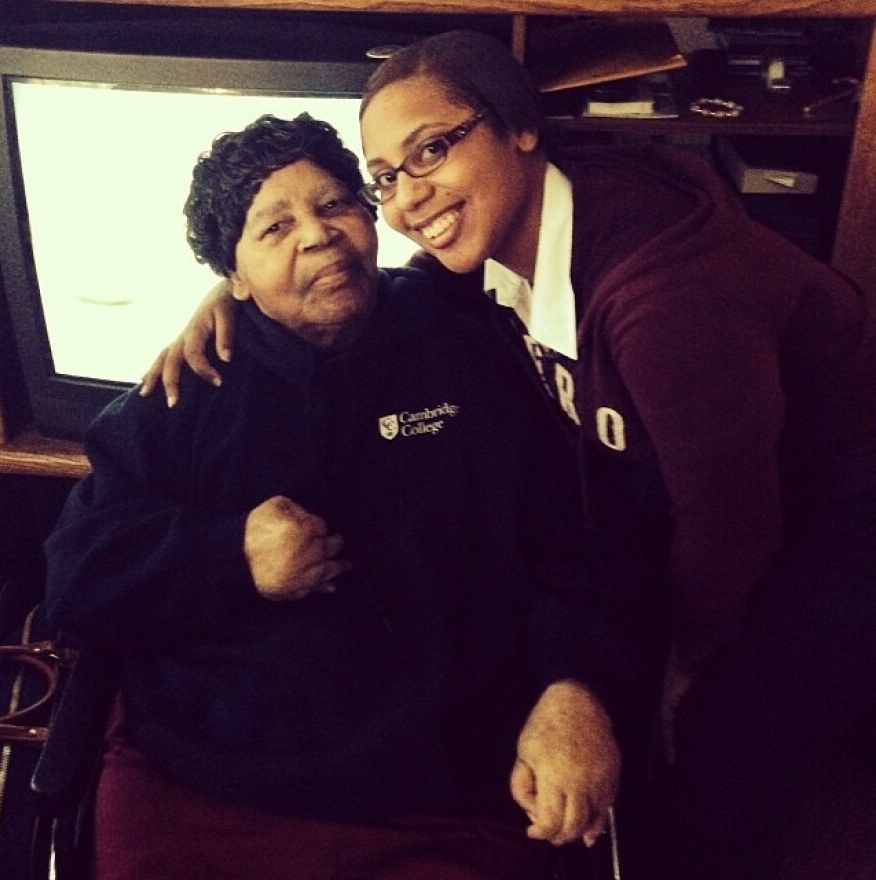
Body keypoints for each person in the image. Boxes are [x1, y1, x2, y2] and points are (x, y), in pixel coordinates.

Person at [142, 29, 876, 880]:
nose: (407, 198)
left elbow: (734, 528)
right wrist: (238, 290)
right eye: (384, 178)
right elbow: (404, 284)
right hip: (697, 488)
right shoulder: (509, 230)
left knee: (710, 763)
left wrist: (679, 670)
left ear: (519, 127)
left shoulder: (665, 303)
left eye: (432, 151)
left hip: (832, 517)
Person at [44, 112, 634, 880]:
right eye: (274, 226)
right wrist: (227, 555)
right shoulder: (183, 402)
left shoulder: (476, 349)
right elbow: (75, 579)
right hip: (223, 785)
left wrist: (576, 688)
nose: (318, 235)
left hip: (454, 784)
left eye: (334, 205)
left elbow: (580, 544)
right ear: (234, 278)